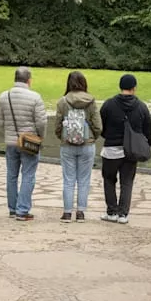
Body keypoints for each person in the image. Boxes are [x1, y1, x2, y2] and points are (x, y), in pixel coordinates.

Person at [99, 73, 151, 224]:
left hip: (111, 149)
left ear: (120, 86)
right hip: (132, 150)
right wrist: (147, 144)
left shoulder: (109, 104)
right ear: (134, 88)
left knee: (109, 180)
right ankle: (123, 214)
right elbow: (148, 129)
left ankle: (111, 212)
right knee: (127, 182)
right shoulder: (141, 107)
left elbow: (100, 125)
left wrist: (108, 136)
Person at [0, 66, 46, 222]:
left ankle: (12, 208)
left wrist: (8, 133)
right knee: (28, 175)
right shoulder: (35, 97)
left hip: (11, 142)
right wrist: (40, 137)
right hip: (29, 142)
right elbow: (41, 122)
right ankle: (22, 210)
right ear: (29, 80)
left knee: (11, 176)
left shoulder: (4, 96)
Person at [54, 71, 102, 223]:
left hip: (67, 145)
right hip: (87, 145)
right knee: (84, 179)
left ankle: (67, 213)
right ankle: (80, 212)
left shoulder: (62, 102)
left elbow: (57, 125)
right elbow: (98, 126)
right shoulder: (91, 101)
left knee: (68, 179)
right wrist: (92, 137)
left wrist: (62, 137)